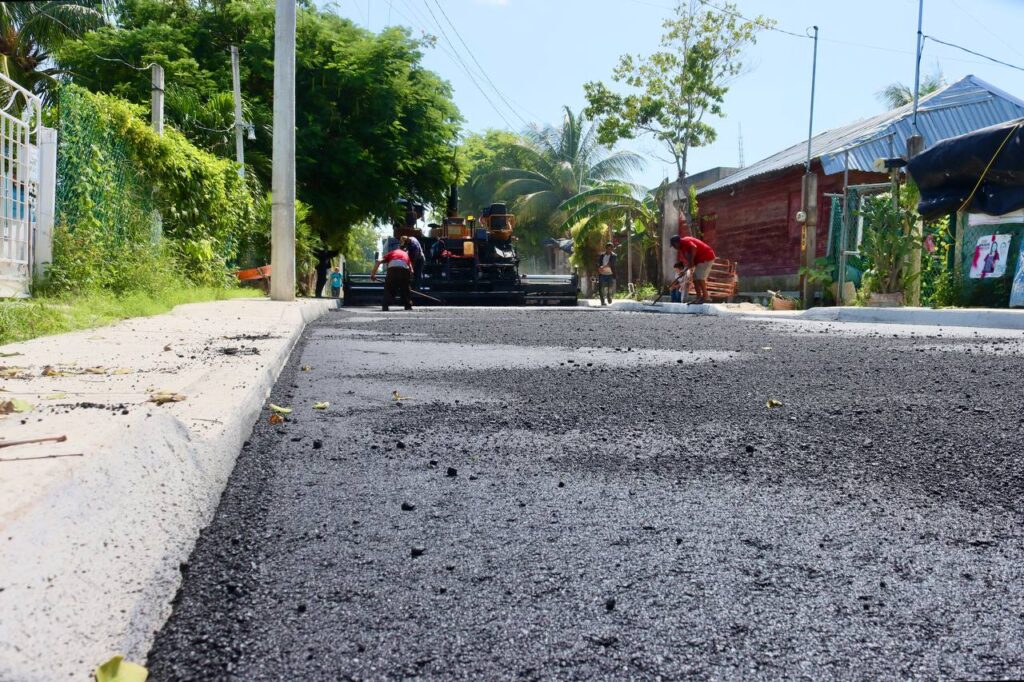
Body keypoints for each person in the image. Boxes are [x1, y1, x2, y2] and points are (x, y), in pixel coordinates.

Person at [670, 235, 716, 305]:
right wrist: (684, 271)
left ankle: (706, 297)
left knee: (699, 277)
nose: (674, 247)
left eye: (673, 245)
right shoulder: (682, 249)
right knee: (695, 277)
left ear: (677, 243)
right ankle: (698, 297)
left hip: (706, 257)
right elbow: (690, 263)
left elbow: (694, 247)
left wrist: (691, 260)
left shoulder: (685, 241)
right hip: (700, 260)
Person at [371, 244, 414, 311]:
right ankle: (408, 305)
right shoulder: (406, 255)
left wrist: (373, 274)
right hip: (404, 270)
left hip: (392, 270)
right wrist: (407, 283)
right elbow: (411, 271)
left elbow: (379, 261)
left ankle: (385, 306)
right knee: (405, 289)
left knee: (389, 287)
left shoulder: (392, 253)